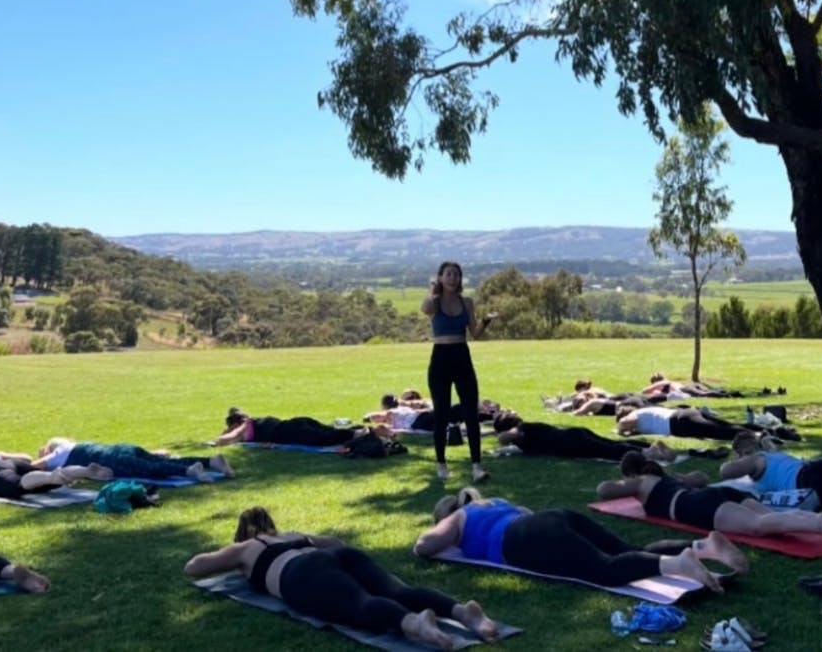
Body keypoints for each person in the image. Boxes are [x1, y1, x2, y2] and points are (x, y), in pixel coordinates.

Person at [184, 506, 498, 651]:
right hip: (333, 557)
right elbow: (337, 544)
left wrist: (235, 558)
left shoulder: (247, 547)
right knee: (400, 590)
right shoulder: (295, 535)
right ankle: (462, 613)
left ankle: (414, 624)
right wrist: (307, 541)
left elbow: (194, 566)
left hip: (300, 574)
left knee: (359, 605)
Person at [415, 488, 744, 591]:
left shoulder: (460, 516)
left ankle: (676, 563)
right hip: (553, 517)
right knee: (627, 551)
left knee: (603, 569)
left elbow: (425, 546)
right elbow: (528, 510)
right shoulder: (495, 502)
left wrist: (443, 530)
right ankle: (703, 547)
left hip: (523, 538)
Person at [595, 452, 822, 539]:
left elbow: (603, 490)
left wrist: (625, 484)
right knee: (772, 518)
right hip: (716, 494)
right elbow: (701, 477)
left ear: (631, 473)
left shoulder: (641, 481)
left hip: (699, 507)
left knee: (760, 526)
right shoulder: (668, 478)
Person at [421, 261, 495, 483]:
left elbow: (475, 333)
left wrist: (486, 320)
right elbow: (425, 309)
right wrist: (432, 292)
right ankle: (441, 463)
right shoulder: (434, 302)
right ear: (441, 278)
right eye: (449, 274)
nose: (453, 278)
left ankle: (476, 467)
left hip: (462, 356)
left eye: (456, 275)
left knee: (471, 412)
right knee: (441, 415)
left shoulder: (467, 302)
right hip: (441, 358)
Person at [490, 411, 676, 463]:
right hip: (573, 435)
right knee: (611, 444)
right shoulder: (526, 432)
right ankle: (648, 446)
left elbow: (504, 438)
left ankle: (647, 451)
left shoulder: (522, 430)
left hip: (571, 443)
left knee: (609, 451)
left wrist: (500, 434)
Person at [33, 438, 232, 482]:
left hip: (110, 458)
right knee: (152, 460)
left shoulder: (59, 451)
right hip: (121, 448)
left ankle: (189, 471)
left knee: (146, 468)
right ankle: (211, 461)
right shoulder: (78, 444)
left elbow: (34, 466)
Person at [214, 408, 386, 448]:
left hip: (292, 431)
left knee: (326, 439)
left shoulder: (243, 427)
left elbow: (223, 441)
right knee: (329, 432)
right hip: (297, 422)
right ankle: (363, 430)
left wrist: (228, 432)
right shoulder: (255, 422)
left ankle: (365, 432)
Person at [616, 405, 749, 441]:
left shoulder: (635, 415)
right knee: (727, 425)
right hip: (685, 415)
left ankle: (757, 435)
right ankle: (762, 430)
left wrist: (620, 430)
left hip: (679, 422)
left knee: (721, 432)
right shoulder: (645, 413)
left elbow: (625, 422)